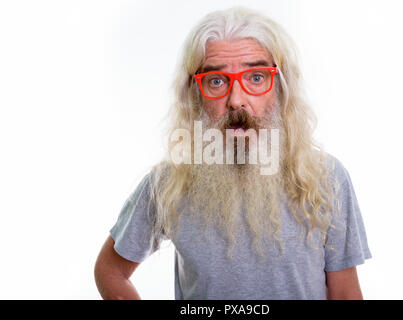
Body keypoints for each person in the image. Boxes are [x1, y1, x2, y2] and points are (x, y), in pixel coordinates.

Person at [94, 6, 372, 300]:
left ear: (279, 86)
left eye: (255, 77)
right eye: (216, 81)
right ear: (194, 94)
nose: (236, 100)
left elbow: (344, 292)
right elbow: (111, 272)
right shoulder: (168, 182)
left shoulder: (327, 178)